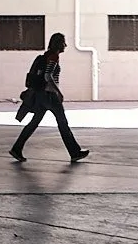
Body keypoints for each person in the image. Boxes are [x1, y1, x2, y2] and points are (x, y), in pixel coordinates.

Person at [10, 33, 90, 163]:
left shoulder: (46, 55)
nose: (66, 45)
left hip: (41, 96)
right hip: (50, 96)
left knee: (34, 123)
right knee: (63, 124)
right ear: (58, 44)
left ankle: (16, 148)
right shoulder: (53, 56)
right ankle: (74, 152)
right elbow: (48, 76)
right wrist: (58, 92)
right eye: (63, 42)